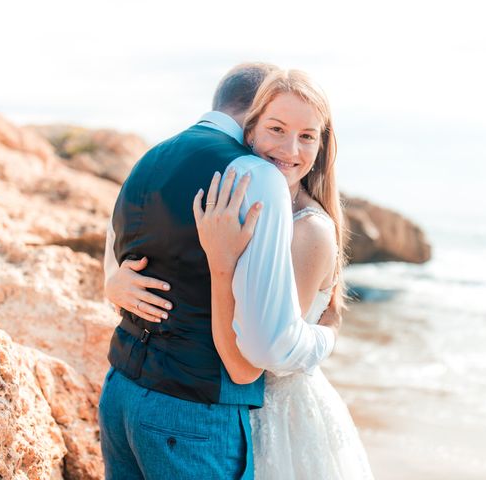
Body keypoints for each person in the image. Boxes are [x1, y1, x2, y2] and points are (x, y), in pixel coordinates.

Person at [106, 69, 373, 478]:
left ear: (321, 144)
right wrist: (114, 282)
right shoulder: (251, 186)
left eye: (307, 136)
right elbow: (250, 358)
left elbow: (257, 360)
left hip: (252, 414)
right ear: (250, 127)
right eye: (277, 128)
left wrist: (327, 337)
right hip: (200, 413)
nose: (290, 148)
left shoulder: (308, 227)